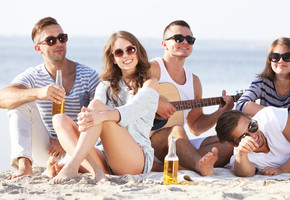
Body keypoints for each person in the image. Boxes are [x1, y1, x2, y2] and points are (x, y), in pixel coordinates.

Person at [48, 30, 159, 184]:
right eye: (119, 52)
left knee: (99, 111)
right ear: (113, 59)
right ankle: (96, 171)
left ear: (138, 52)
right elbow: (93, 112)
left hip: (134, 158)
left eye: (130, 49)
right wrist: (91, 116)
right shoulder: (105, 86)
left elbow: (132, 110)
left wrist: (102, 116)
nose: (126, 55)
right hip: (103, 156)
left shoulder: (150, 84)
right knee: (60, 119)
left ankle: (71, 165)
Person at [0, 17, 99, 179]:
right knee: (19, 103)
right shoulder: (33, 75)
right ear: (38, 48)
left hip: (80, 148)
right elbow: (3, 98)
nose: (59, 43)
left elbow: (102, 118)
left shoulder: (88, 75)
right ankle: (25, 167)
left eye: (62, 38)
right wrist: (39, 93)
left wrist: (67, 141)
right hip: (47, 148)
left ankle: (59, 167)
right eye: (51, 40)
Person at [149, 20, 234, 176]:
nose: (185, 42)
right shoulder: (153, 68)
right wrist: (156, 102)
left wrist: (220, 112)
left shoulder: (194, 81)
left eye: (190, 40)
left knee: (229, 144)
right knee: (177, 130)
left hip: (178, 143)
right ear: (164, 44)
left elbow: (195, 127)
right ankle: (198, 165)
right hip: (151, 141)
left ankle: (185, 163)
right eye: (178, 38)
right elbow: (129, 93)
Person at [236, 37, 290, 121]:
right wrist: (275, 114)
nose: (281, 61)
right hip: (266, 132)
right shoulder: (262, 82)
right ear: (270, 60)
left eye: (287, 57)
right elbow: (240, 105)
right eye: (275, 57)